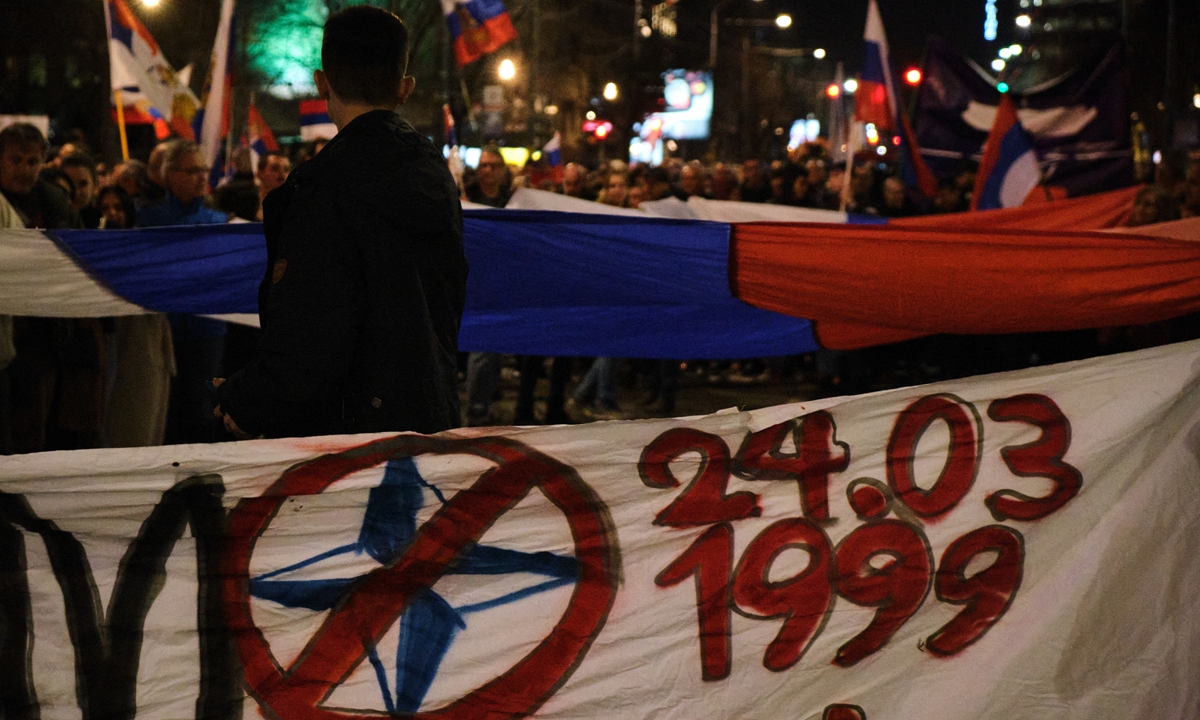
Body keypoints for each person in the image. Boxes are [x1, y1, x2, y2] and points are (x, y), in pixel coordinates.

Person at [215, 5, 467, 438]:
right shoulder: (436, 177)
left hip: (347, 445)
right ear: (405, 88)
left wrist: (247, 401)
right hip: (425, 422)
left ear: (322, 82)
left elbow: (311, 335)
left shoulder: (323, 188)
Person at [137, 140, 230, 444]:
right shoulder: (148, 222)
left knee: (201, 411)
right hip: (163, 330)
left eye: (203, 170)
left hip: (207, 330)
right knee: (162, 409)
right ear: (170, 174)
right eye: (192, 171)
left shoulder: (221, 224)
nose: (202, 177)